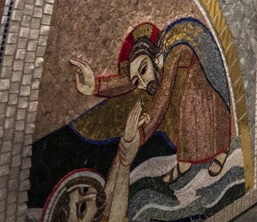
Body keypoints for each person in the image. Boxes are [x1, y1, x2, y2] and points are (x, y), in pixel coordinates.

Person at [69, 20, 232, 183]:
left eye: (144, 71)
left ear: (157, 58)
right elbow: (130, 80)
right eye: (138, 81)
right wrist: (95, 86)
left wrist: (141, 134)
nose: (144, 83)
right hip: (181, 93)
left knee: (189, 105)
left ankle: (219, 152)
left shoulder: (174, 52)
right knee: (168, 108)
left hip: (200, 92)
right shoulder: (152, 66)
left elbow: (163, 97)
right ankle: (185, 161)